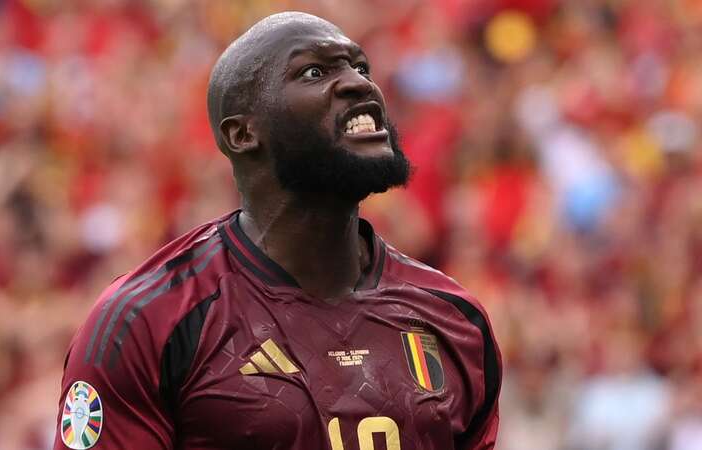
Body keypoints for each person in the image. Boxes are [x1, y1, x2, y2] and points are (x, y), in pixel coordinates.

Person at [54, 11, 502, 450]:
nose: (360, 83)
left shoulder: (455, 321)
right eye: (313, 72)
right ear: (243, 134)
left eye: (360, 66)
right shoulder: (148, 322)